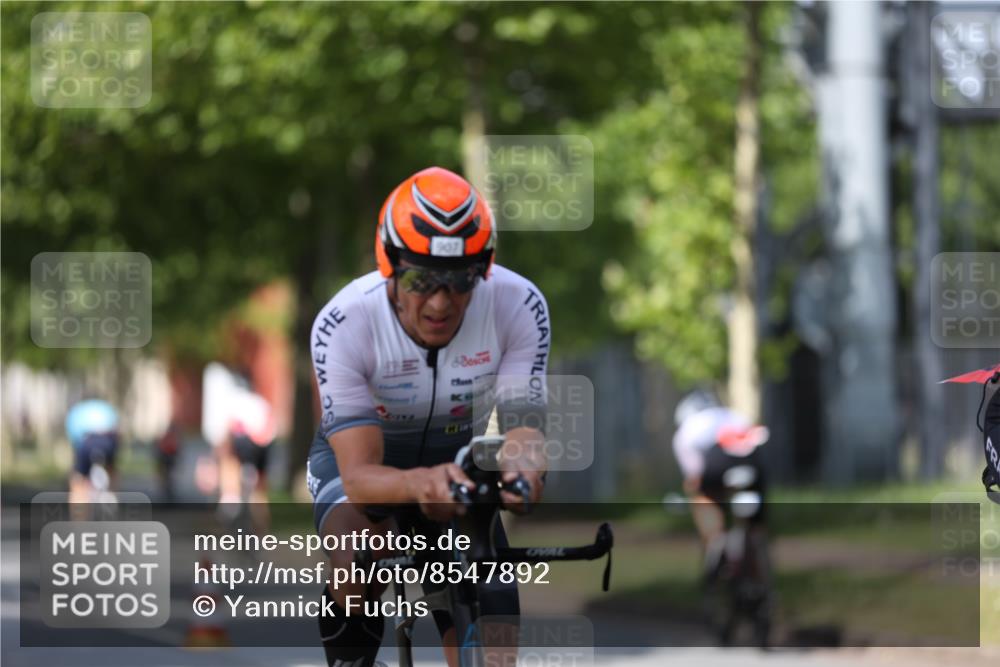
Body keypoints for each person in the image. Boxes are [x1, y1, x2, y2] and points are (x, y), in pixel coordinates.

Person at [307, 166, 549, 667]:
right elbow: (359, 478)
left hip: (454, 465)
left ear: (483, 269)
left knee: (495, 613)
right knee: (357, 561)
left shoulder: (518, 304)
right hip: (363, 462)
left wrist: (525, 476)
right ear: (389, 265)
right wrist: (421, 485)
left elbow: (523, 427)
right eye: (421, 280)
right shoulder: (345, 321)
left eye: (461, 281)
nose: (441, 302)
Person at [672, 389, 769, 579]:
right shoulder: (731, 415)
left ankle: (716, 539)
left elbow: (694, 477)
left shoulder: (686, 432)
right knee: (755, 517)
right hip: (751, 461)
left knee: (703, 496)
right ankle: (758, 547)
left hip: (716, 459)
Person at [217, 386, 276, 531]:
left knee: (229, 462)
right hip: (264, 444)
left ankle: (230, 498)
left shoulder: (236, 402)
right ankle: (262, 526)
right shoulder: (262, 402)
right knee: (260, 488)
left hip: (244, 441)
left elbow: (229, 430)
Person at [65, 398, 120, 503]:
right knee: (112, 469)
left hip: (87, 443)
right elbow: (116, 430)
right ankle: (112, 493)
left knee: (78, 480)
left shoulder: (78, 410)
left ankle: (79, 513)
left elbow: (74, 437)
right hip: (108, 442)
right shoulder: (107, 407)